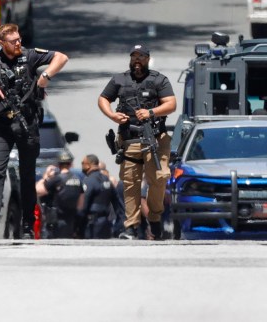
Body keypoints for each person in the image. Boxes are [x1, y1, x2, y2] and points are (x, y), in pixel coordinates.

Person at [0, 23, 69, 239]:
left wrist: (46, 76)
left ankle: (27, 225)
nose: (18, 44)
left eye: (19, 40)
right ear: (2, 43)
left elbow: (61, 57)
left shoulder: (30, 56)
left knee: (26, 175)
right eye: (13, 42)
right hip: (1, 126)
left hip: (26, 124)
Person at [98, 44, 176, 240]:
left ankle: (155, 218)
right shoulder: (119, 79)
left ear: (148, 59)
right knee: (130, 183)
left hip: (156, 138)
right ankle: (131, 226)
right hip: (130, 138)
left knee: (159, 178)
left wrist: (151, 112)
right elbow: (103, 99)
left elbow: (171, 104)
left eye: (140, 57)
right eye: (134, 57)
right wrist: (112, 115)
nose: (137, 60)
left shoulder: (159, 80)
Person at [35, 151, 82, 239]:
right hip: (71, 219)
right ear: (71, 164)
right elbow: (80, 204)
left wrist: (45, 177)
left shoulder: (56, 179)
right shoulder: (77, 180)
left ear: (58, 164)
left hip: (56, 220)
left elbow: (38, 191)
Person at [80, 154, 116, 239]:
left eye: (83, 163)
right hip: (106, 223)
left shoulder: (89, 181)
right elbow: (117, 201)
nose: (82, 166)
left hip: (92, 224)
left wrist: (79, 224)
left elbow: (84, 205)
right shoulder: (106, 179)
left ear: (88, 164)